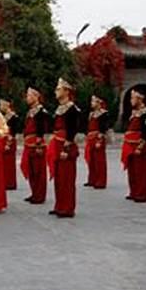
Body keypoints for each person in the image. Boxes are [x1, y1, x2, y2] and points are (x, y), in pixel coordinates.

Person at [47, 79, 81, 218]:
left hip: (65, 146)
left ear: (66, 91)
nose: (56, 91)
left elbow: (72, 131)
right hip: (57, 144)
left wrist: (66, 149)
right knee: (59, 178)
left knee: (67, 179)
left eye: (58, 89)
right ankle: (59, 205)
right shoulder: (60, 108)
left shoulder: (72, 109)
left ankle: (67, 208)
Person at [121, 89, 146, 203]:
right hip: (130, 144)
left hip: (139, 144)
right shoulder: (134, 112)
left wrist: (140, 146)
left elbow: (145, 131)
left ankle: (141, 194)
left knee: (141, 171)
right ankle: (133, 191)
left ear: (140, 98)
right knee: (132, 171)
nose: (131, 100)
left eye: (133, 98)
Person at [21, 87, 50, 204]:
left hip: (36, 144)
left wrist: (38, 144)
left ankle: (39, 195)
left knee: (39, 171)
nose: (27, 98)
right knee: (32, 171)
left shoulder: (40, 111)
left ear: (35, 96)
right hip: (29, 144)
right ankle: (34, 193)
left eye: (29, 96)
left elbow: (42, 128)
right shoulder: (31, 111)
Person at [84, 95, 109, 189]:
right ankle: (92, 179)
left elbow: (104, 127)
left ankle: (100, 181)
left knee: (99, 161)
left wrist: (100, 139)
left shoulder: (103, 113)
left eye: (93, 101)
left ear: (98, 103)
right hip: (90, 138)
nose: (91, 103)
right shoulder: (91, 114)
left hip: (98, 137)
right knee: (91, 160)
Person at [0, 99, 20, 190]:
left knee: (9, 163)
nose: (0, 107)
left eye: (1, 105)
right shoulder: (4, 116)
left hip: (9, 140)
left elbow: (13, 132)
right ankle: (5, 181)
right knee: (4, 163)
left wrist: (9, 143)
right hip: (3, 139)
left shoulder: (13, 116)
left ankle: (10, 182)